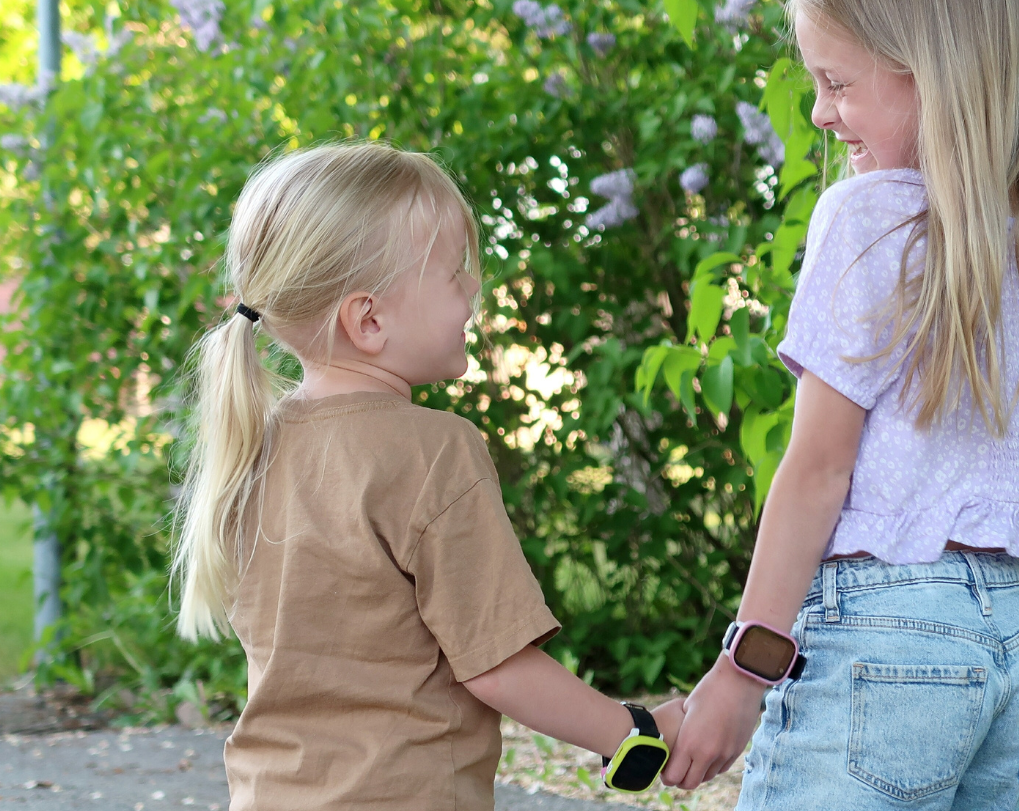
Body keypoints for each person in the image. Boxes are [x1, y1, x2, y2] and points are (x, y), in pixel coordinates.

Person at [661, 0, 1019, 808]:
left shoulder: (869, 219)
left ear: (931, 73)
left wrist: (742, 672)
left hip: (881, 634)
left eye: (837, 83)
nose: (821, 113)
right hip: (1011, 645)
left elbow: (818, 468)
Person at [171, 143, 680, 810]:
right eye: (453, 272)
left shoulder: (253, 448)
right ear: (369, 319)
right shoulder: (433, 451)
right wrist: (635, 734)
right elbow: (496, 664)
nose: (472, 289)